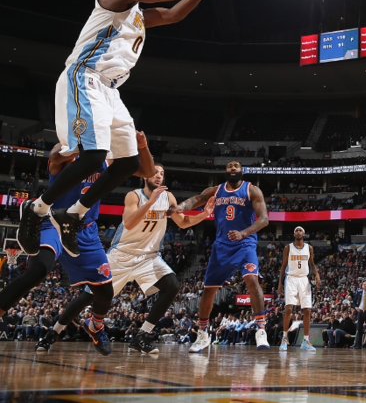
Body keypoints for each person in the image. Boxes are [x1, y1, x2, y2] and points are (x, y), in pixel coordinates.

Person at [17, 0, 229, 260]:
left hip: (110, 90)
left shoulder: (137, 15)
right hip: (84, 78)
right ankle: (37, 208)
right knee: (94, 156)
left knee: (129, 162)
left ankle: (73, 214)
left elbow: (174, 14)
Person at [1, 136, 154, 355]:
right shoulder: (66, 149)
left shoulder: (106, 158)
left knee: (105, 292)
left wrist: (141, 145)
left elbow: (147, 171)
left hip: (84, 229)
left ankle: (95, 325)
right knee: (38, 270)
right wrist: (81, 147)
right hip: (53, 221)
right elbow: (54, 156)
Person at [39, 163, 214, 355]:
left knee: (172, 285)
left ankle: (142, 336)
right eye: (155, 172)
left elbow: (182, 222)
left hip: (149, 257)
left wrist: (204, 214)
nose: (159, 176)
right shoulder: (134, 195)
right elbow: (129, 223)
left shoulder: (168, 197)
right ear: (145, 175)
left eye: (162, 174)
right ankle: (52, 334)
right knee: (87, 297)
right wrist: (150, 202)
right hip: (121, 255)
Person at [169, 160, 270, 353]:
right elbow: (195, 200)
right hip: (222, 246)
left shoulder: (252, 190)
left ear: (242, 171)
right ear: (225, 171)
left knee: (251, 279)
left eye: (236, 166)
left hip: (245, 243)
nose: (232, 168)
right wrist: (181, 207)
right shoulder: (215, 190)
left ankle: (261, 329)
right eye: (229, 166)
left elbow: (264, 219)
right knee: (208, 291)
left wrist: (243, 233)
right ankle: (202, 334)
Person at [278, 226, 321, 351]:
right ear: (293, 234)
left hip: (304, 279)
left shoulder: (309, 248)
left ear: (304, 233)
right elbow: (283, 266)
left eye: (300, 230)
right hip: (291, 278)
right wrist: (280, 283)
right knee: (289, 308)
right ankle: (284, 338)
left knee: (307, 310)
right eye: (296, 230)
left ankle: (306, 341)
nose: (298, 232)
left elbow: (312, 264)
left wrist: (317, 275)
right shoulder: (288, 248)